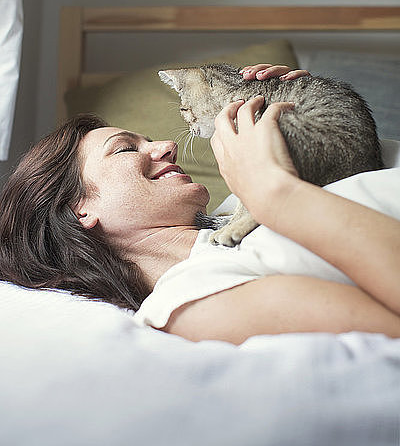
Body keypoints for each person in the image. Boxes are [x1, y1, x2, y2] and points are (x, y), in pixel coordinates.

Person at [0, 65, 399, 345]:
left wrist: (301, 118)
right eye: (124, 149)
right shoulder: (191, 298)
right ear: (79, 210)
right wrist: (276, 194)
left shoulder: (233, 210)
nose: (168, 145)